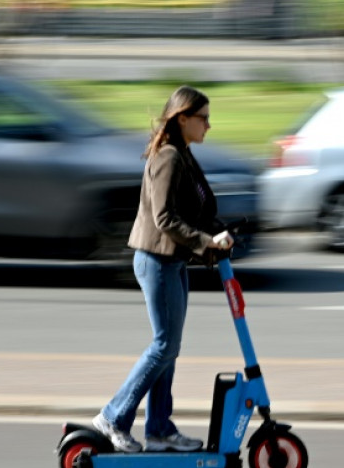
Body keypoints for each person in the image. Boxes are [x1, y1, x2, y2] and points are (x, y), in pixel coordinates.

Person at [92, 85, 234, 453]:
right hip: (156, 259)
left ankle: (158, 430)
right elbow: (165, 218)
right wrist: (205, 242)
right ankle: (112, 417)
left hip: (172, 261)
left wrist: (219, 233)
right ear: (182, 118)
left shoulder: (183, 154)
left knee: (169, 347)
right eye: (203, 118)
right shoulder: (168, 157)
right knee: (164, 346)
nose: (209, 125)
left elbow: (195, 210)